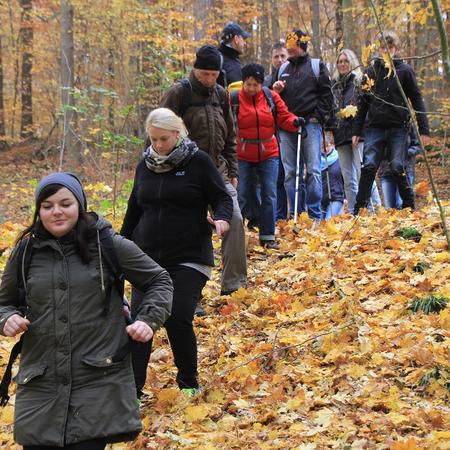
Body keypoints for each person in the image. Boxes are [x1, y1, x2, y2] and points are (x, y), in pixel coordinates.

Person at [0, 172, 173, 449]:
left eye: (65, 203)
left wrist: (148, 319)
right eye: (47, 206)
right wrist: (7, 318)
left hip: (97, 381)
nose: (56, 211)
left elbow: (159, 280)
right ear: (39, 211)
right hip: (41, 384)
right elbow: (4, 302)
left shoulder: (108, 244)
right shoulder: (25, 252)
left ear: (79, 205)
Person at [121, 108, 233, 396]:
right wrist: (118, 249)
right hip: (147, 259)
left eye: (164, 139)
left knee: (177, 316)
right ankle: (131, 394)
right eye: (153, 139)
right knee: (140, 322)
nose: (158, 146)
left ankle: (188, 384)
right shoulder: (145, 165)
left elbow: (221, 196)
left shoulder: (198, 162)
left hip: (189, 256)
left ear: (177, 133)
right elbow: (134, 210)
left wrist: (221, 219)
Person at [160, 44, 247, 297]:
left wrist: (233, 169)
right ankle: (190, 294)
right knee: (190, 230)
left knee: (235, 220)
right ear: (195, 70)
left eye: (213, 75)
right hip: (184, 172)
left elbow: (231, 136)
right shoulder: (179, 94)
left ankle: (234, 285)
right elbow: (158, 132)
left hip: (218, 172)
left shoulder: (221, 95)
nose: (209, 79)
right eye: (204, 74)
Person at [352, 31, 430, 214]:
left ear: (395, 48)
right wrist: (356, 130)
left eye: (390, 47)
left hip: (399, 127)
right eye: (382, 48)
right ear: (378, 49)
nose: (386, 51)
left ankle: (410, 208)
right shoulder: (370, 72)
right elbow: (362, 103)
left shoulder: (404, 71)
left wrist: (424, 129)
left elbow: (417, 99)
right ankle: (359, 210)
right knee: (369, 166)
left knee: (397, 166)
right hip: (375, 127)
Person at [233, 63, 300, 249]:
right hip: (244, 153)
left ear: (261, 84)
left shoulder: (271, 97)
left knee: (269, 193)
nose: (252, 88)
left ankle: (268, 235)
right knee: (243, 193)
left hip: (268, 152)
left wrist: (295, 122)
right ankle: (239, 233)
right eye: (248, 84)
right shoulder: (234, 99)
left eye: (255, 84)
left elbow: (284, 117)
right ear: (243, 83)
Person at [272, 29, 334, 225]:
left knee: (314, 170)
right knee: (291, 172)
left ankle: (314, 213)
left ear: (301, 45)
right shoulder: (282, 69)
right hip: (287, 126)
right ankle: (297, 212)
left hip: (311, 126)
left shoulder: (316, 67)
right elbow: (275, 100)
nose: (289, 48)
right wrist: (277, 92)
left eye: (293, 43)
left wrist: (317, 117)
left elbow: (327, 97)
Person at [331, 48, 381, 214]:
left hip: (359, 133)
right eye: (340, 61)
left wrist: (357, 130)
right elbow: (332, 111)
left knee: (363, 173)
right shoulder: (334, 85)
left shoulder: (359, 82)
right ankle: (354, 211)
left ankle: (377, 210)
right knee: (347, 178)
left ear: (351, 62)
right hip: (340, 135)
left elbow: (365, 108)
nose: (343, 64)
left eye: (346, 61)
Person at [264, 43, 289, 221]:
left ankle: (299, 212)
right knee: (278, 176)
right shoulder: (266, 82)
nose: (280, 60)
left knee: (294, 175)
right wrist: (274, 92)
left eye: (283, 56)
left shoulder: (295, 77)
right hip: (272, 135)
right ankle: (280, 216)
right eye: (276, 57)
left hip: (291, 132)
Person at [379, 131, 421, 208]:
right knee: (389, 208)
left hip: (405, 172)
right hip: (386, 172)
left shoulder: (407, 124)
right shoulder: (379, 127)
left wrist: (405, 152)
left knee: (402, 205)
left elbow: (417, 146)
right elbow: (374, 148)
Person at [217, 22, 251, 88]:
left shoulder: (217, 58)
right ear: (236, 39)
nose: (245, 43)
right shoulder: (230, 65)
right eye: (243, 39)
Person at [321, 145, 344, 219]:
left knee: (329, 221)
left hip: (336, 197)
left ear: (332, 145)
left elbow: (346, 178)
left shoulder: (339, 158)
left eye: (328, 146)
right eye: (322, 147)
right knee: (318, 225)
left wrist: (345, 196)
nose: (325, 149)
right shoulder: (316, 161)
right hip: (321, 199)